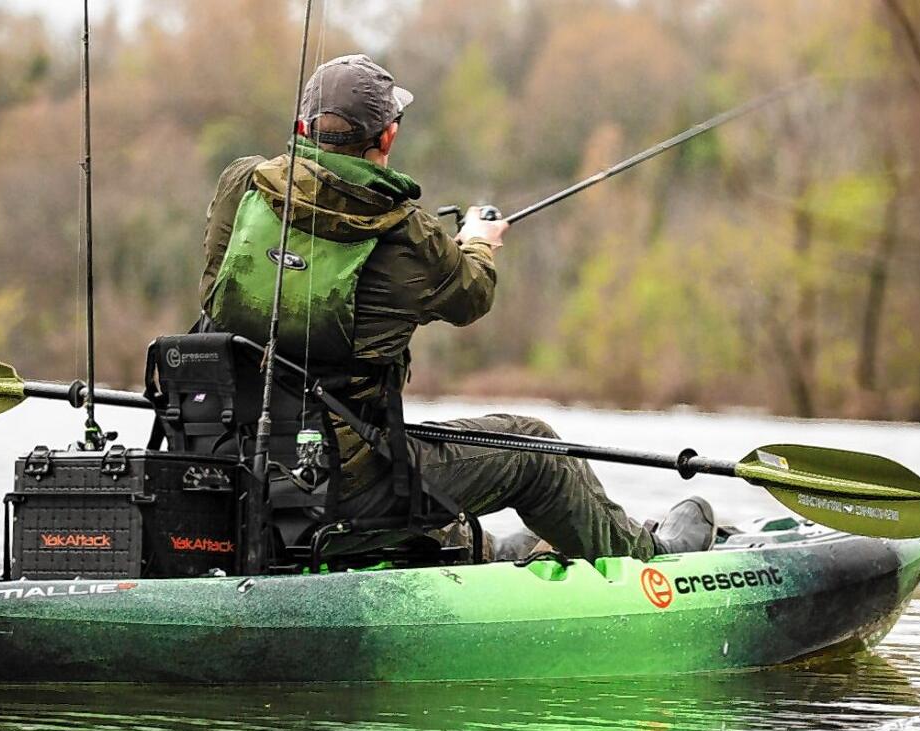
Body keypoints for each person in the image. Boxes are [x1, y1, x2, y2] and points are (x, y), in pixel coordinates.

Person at [198, 54, 714, 561]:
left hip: (216, 461)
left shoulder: (239, 186)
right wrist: (479, 240)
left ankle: (482, 550)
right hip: (336, 485)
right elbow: (471, 294)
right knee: (537, 451)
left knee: (392, 443)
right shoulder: (405, 234)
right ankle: (654, 558)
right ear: (387, 136)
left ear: (301, 126)